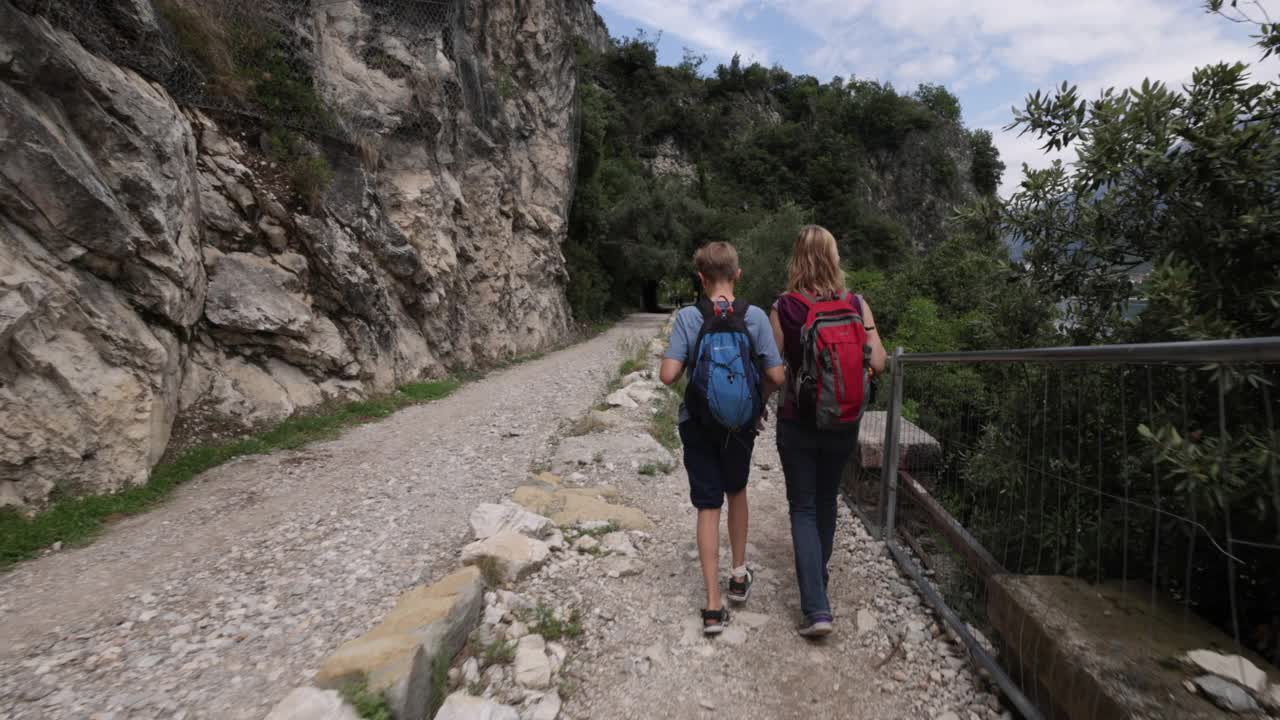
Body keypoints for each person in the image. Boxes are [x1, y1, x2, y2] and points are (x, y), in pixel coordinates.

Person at [659, 241, 786, 635]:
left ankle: (713, 606)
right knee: (737, 492)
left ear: (700, 278)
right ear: (738, 274)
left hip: (697, 424)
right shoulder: (755, 317)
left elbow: (667, 375)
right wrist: (756, 398)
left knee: (707, 505)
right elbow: (778, 375)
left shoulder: (688, 317)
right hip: (740, 427)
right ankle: (738, 575)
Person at [770, 225, 887, 637]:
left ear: (796, 260)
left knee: (801, 506)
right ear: (834, 258)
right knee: (825, 500)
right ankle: (817, 581)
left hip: (797, 421)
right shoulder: (856, 303)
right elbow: (880, 364)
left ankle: (816, 607)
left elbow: (774, 370)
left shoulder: (783, 307)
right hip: (843, 421)